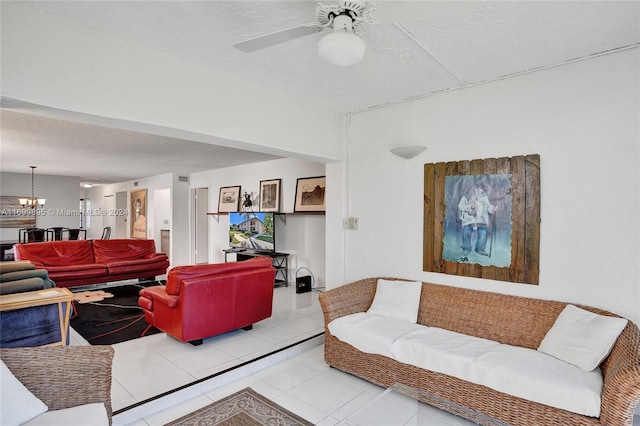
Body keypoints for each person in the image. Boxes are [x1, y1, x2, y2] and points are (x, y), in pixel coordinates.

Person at [458, 182, 496, 256]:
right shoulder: (466, 196)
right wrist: (469, 206)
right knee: (466, 232)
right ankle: (466, 248)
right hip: (469, 219)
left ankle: (480, 249)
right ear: (476, 188)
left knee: (483, 232)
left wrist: (492, 208)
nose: (481, 191)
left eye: (483, 189)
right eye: (480, 189)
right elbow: (460, 207)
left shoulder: (484, 197)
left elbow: (488, 207)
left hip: (481, 220)